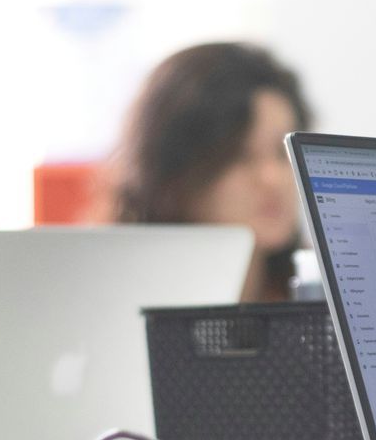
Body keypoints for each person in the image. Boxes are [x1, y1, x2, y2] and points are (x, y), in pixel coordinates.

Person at [100, 42, 314, 303]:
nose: (273, 178)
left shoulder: (324, 302)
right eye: (240, 156)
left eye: (284, 153)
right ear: (175, 166)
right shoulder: (109, 299)